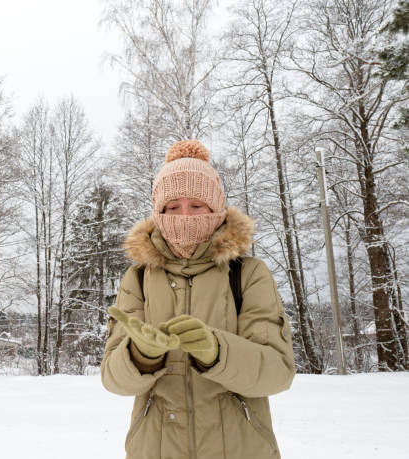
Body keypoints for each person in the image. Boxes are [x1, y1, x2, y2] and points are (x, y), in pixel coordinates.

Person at [100, 139, 296, 459]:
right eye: (172, 206)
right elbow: (113, 380)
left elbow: (278, 371)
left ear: (216, 209)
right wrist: (141, 356)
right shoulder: (137, 279)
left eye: (197, 205)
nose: (184, 215)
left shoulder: (248, 274)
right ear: (159, 212)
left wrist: (217, 352)